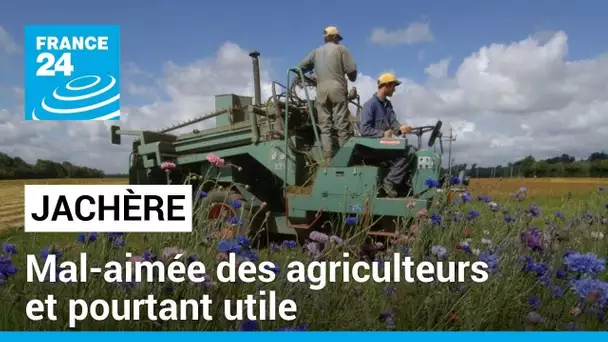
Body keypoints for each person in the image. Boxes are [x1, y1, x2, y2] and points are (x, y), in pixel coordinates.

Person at [298, 26, 358, 165]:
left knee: (324, 127)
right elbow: (352, 71)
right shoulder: (341, 49)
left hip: (321, 92)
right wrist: (350, 75)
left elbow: (300, 67)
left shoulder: (316, 52)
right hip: (337, 90)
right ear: (336, 38)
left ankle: (328, 159)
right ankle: (345, 159)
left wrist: (314, 75)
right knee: (341, 125)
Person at [359, 72, 413, 197]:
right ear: (387, 85)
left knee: (413, 150)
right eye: (393, 86)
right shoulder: (370, 105)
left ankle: (400, 183)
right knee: (408, 152)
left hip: (385, 146)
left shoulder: (387, 105)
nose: (394, 89)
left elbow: (394, 125)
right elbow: (364, 130)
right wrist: (382, 134)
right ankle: (390, 181)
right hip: (373, 148)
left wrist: (402, 128)